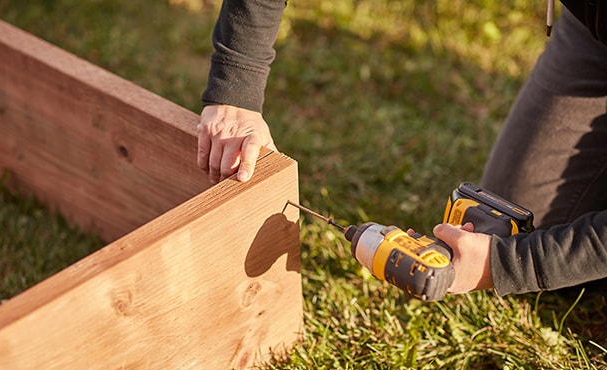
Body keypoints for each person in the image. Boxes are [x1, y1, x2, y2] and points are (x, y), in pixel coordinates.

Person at [197, 0, 607, 297]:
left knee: (554, 258)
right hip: (590, 31)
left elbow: (521, 261)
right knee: (514, 216)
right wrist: (237, 90)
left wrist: (509, 265)